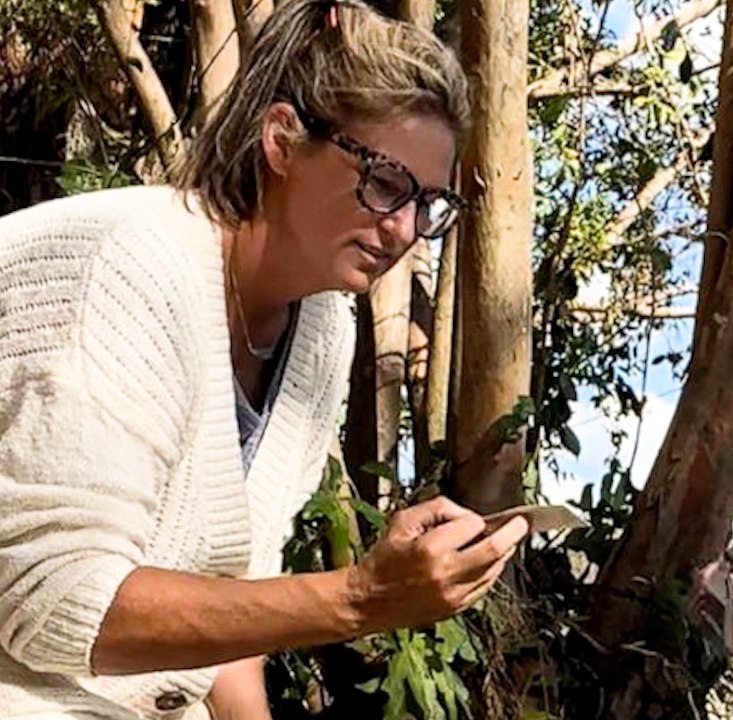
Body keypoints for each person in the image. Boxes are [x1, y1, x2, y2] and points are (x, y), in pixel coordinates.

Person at [0, 2, 529, 718]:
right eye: (383, 181)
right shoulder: (132, 265)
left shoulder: (321, 330)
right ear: (281, 140)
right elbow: (53, 602)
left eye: (428, 204)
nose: (406, 230)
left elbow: (233, 605)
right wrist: (359, 599)